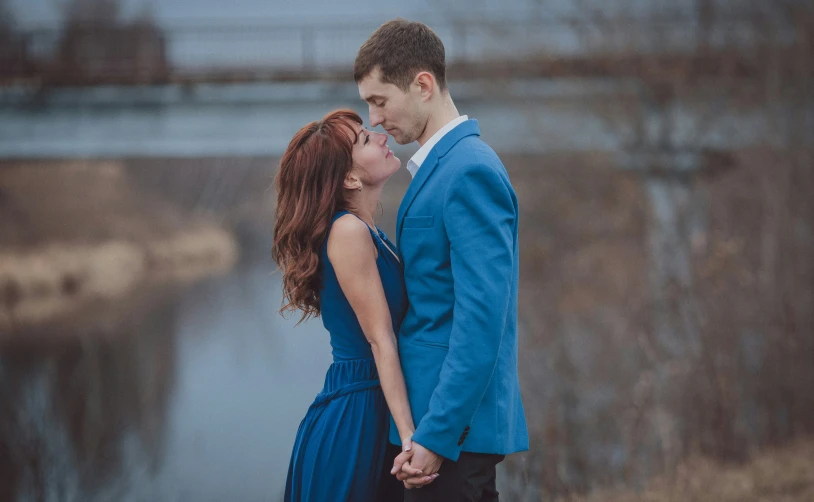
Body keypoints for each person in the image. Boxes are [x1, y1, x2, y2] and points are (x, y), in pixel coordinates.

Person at [354, 19, 530, 501]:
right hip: (430, 427)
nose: (373, 119)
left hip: (453, 433)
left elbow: (481, 320)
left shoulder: (469, 171)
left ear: (423, 85)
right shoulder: (439, 168)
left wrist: (436, 435)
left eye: (380, 100)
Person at [273, 109, 434, 501]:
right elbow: (380, 340)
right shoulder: (347, 231)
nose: (380, 135)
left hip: (370, 403)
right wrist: (412, 438)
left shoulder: (367, 230)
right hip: (356, 416)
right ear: (349, 177)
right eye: (365, 138)